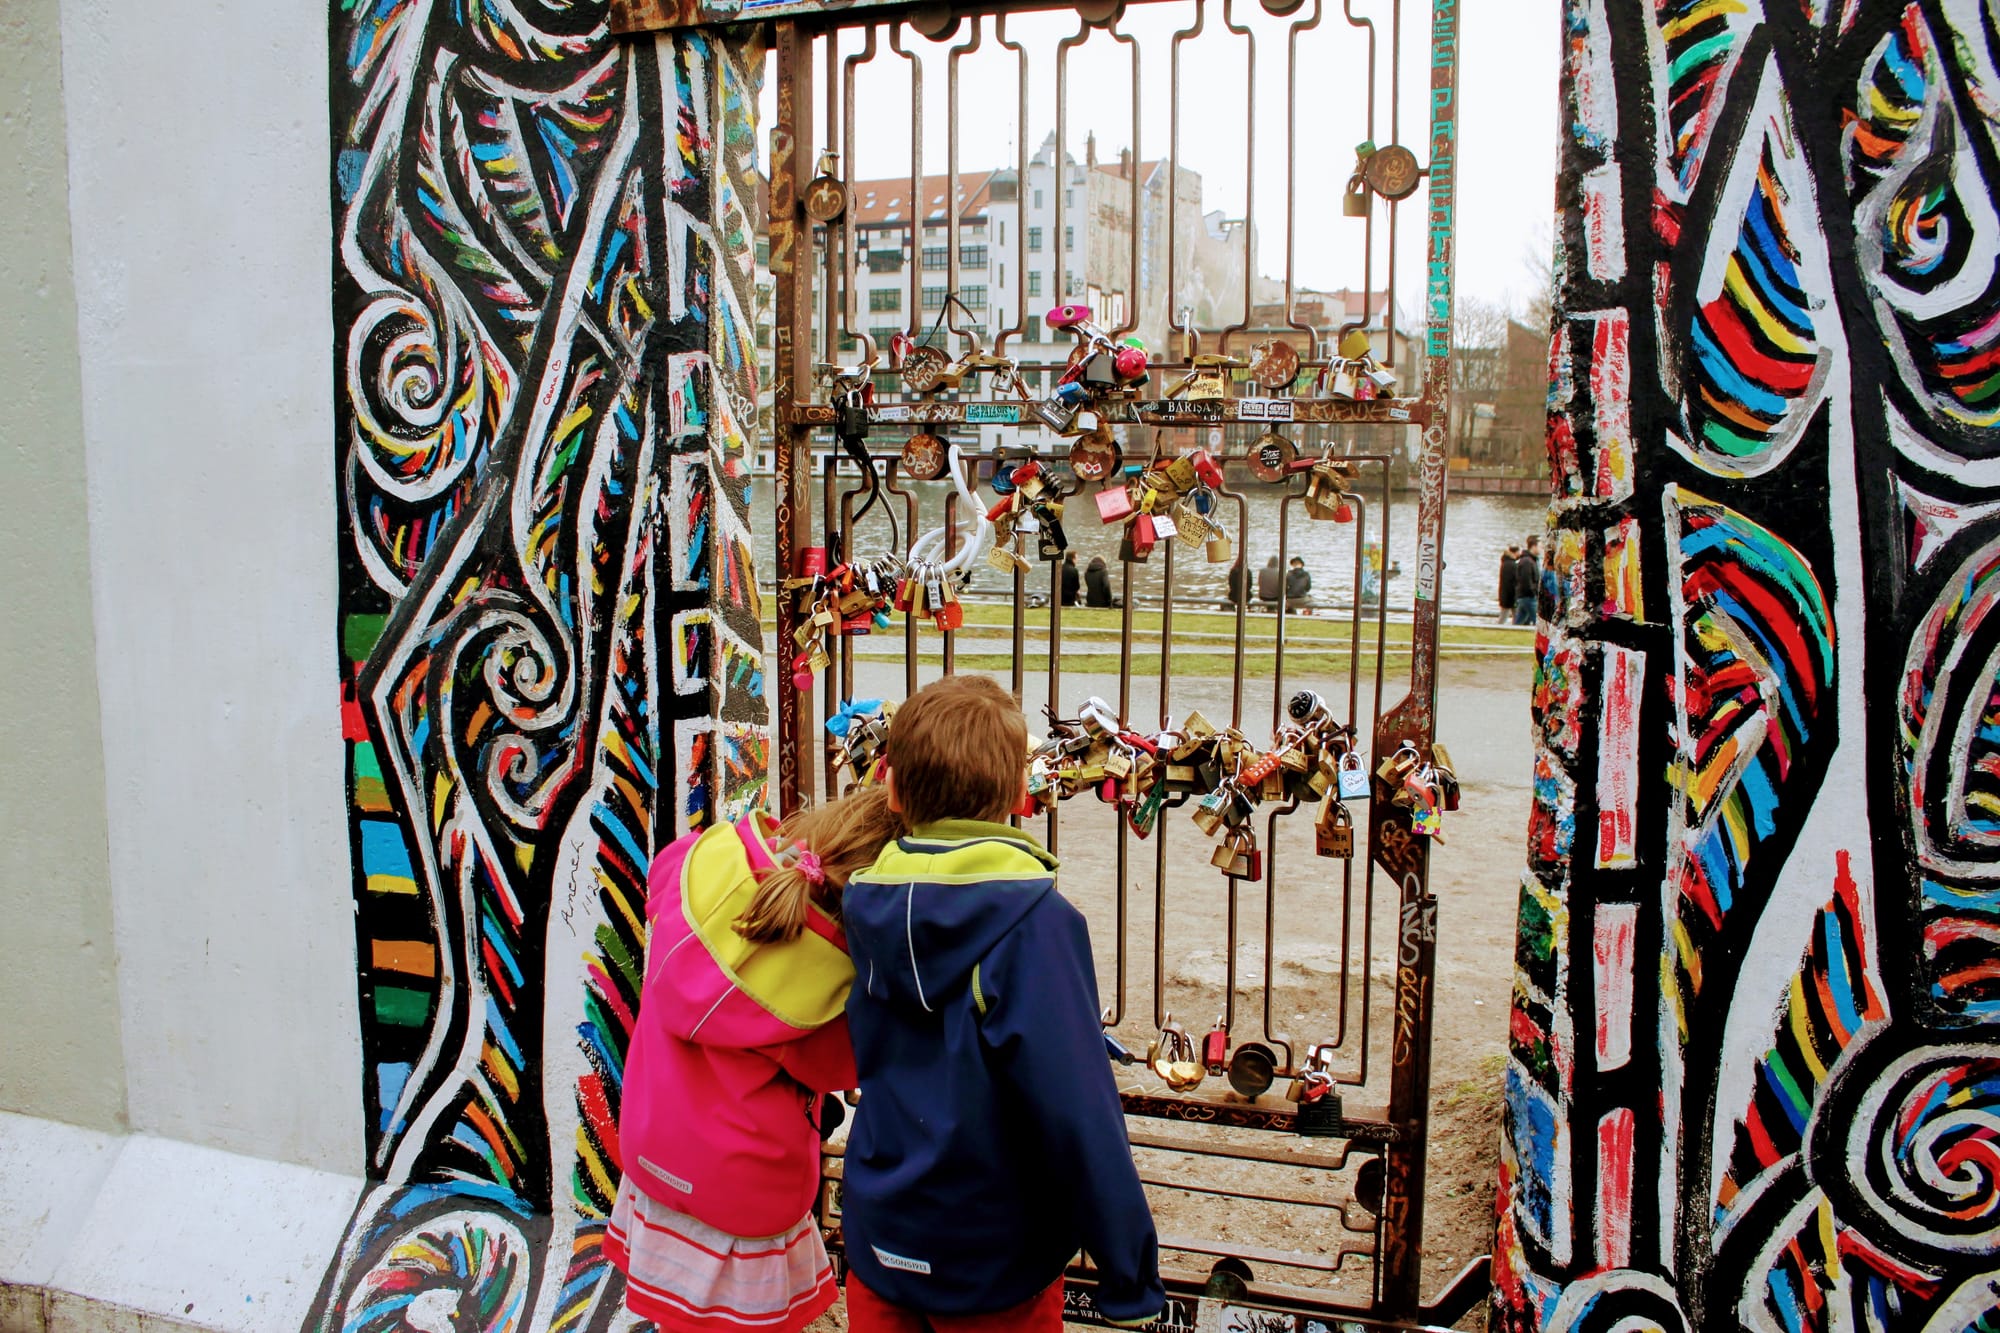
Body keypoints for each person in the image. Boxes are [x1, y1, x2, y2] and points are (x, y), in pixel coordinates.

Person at [840, 675, 1164, 1332]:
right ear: (1021, 793)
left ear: (893, 789)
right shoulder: (1034, 923)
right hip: (993, 1256)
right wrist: (1128, 1275)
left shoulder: (863, 900)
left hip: (882, 1237)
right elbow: (1077, 1110)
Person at [610, 787, 904, 1333]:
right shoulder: (826, 982)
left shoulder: (710, 869)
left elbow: (666, 871)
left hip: (654, 1162)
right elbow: (848, 1067)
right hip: (742, 1198)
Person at [1513, 534, 1541, 626]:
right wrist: (1534, 592)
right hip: (1528, 597)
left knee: (1520, 621)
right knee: (1538, 622)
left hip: (1525, 597)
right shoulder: (1527, 561)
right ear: (1533, 546)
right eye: (1540, 546)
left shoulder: (1530, 560)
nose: (1541, 549)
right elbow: (1526, 581)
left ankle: (1513, 631)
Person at [1497, 544, 1520, 624]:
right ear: (1515, 552)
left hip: (1505, 595)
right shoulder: (1512, 565)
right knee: (1509, 615)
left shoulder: (1505, 563)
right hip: (1510, 596)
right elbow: (1513, 581)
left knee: (1506, 615)